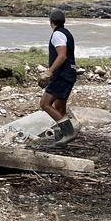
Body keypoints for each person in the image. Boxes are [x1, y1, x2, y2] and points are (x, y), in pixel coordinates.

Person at [39, 9, 77, 146]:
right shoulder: (67, 33)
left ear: (51, 22)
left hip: (62, 75)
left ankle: (69, 133)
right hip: (70, 74)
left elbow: (62, 56)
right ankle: (61, 139)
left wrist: (49, 72)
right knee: (59, 108)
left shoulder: (57, 34)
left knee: (44, 104)